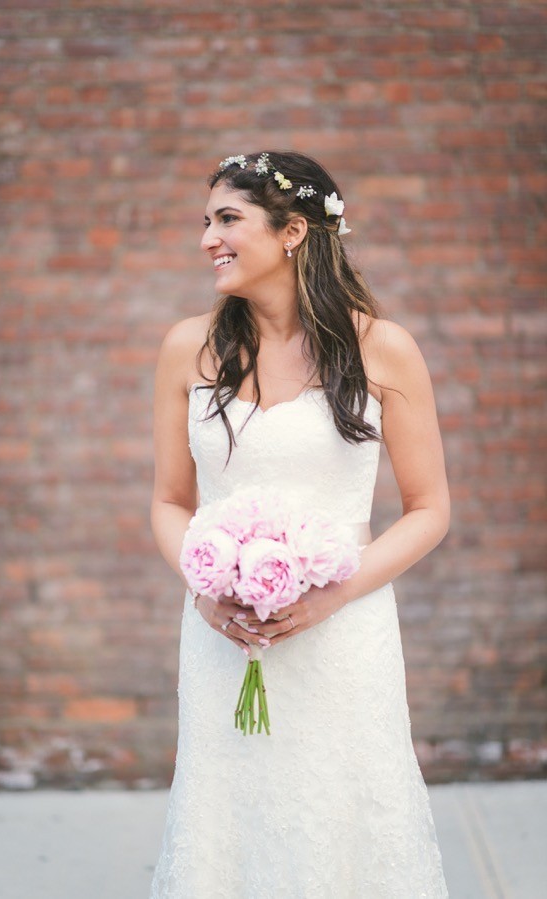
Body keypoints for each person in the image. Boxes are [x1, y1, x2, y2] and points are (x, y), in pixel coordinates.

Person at [149, 150, 450, 898]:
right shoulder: (188, 346)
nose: (207, 238)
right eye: (205, 221)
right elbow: (168, 500)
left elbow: (430, 509)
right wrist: (203, 588)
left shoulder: (382, 348)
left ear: (291, 233)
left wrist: (333, 594)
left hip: (343, 637)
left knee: (343, 818)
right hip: (225, 637)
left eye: (227, 219)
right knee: (227, 824)